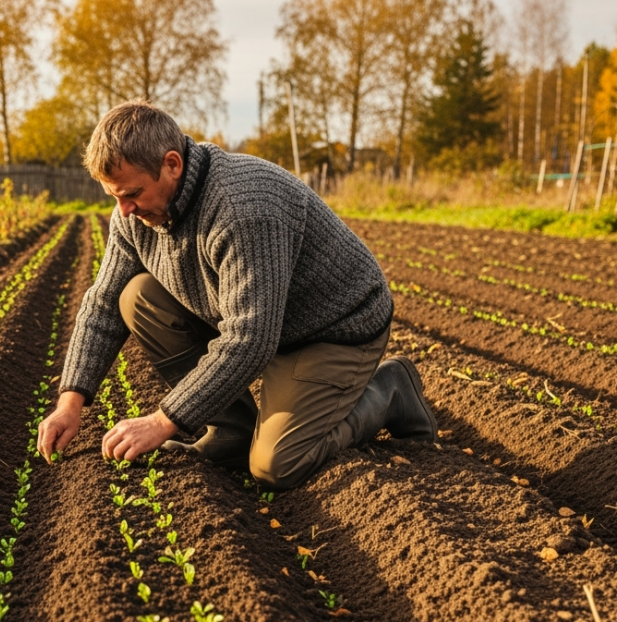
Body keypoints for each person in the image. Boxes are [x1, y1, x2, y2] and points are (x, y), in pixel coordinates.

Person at [35, 101, 437, 491]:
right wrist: (70, 403)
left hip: (333, 328)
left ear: (172, 164)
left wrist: (162, 421)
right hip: (267, 323)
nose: (123, 210)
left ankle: (389, 392)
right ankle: (230, 433)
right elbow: (103, 303)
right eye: (115, 197)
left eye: (132, 193)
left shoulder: (242, 207)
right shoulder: (135, 215)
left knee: (277, 465)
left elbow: (251, 339)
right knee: (135, 297)